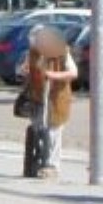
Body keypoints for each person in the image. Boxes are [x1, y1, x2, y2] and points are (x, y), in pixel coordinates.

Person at [20, 25, 78, 179]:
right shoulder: (33, 53)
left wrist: (53, 75)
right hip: (38, 97)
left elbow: (73, 73)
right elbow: (26, 68)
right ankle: (37, 162)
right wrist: (25, 71)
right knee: (37, 129)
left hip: (56, 98)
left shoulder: (62, 52)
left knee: (53, 132)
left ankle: (52, 166)